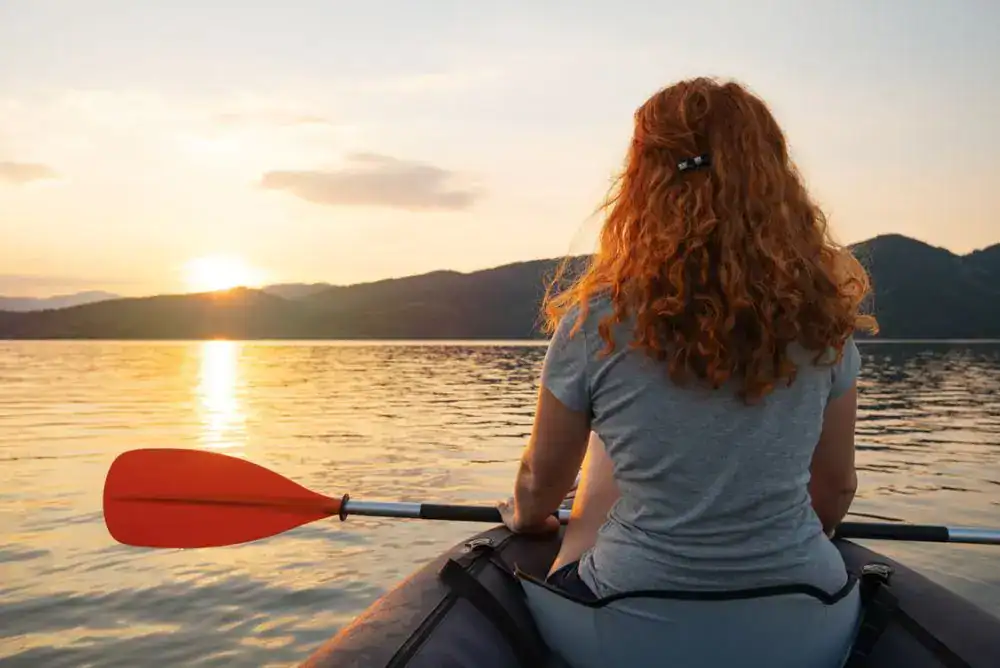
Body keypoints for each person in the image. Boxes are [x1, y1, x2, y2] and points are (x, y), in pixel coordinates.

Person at [496, 77, 878, 668]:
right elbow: (834, 494)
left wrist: (525, 517)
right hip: (807, 625)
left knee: (603, 454)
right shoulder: (823, 320)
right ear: (774, 177)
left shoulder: (596, 321)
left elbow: (541, 484)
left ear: (642, 181)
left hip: (628, 629)